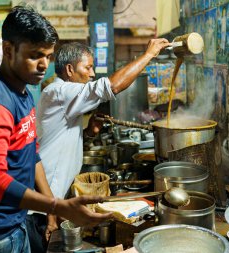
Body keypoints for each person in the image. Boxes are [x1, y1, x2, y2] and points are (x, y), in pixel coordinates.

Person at [0, 6, 111, 253]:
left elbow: (31, 154)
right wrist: (57, 205)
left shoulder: (22, 93)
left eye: (48, 55)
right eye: (35, 55)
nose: (44, 65)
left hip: (14, 223)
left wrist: (50, 211)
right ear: (8, 50)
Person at [37, 40, 170, 201]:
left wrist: (89, 132)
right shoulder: (60, 92)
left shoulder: (62, 94)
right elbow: (112, 86)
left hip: (55, 193)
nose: (92, 74)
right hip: (47, 195)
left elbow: (60, 139)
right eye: (88, 67)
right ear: (70, 69)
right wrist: (149, 54)